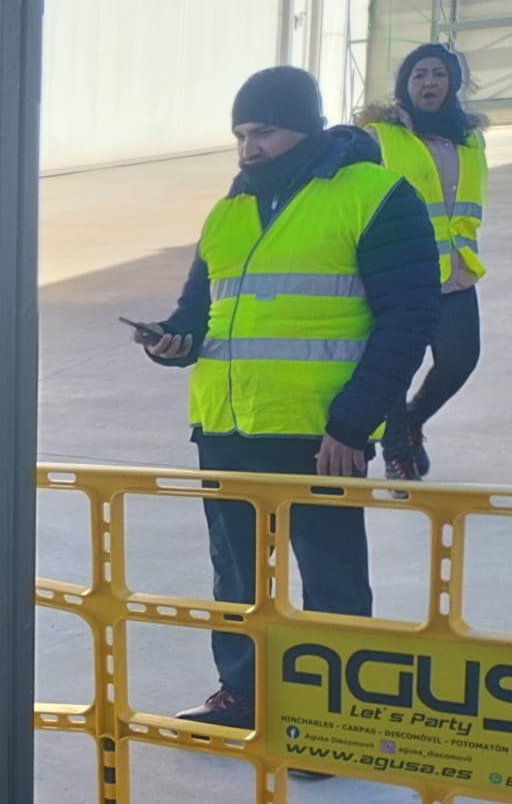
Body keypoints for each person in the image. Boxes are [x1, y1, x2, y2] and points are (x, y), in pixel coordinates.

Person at [131, 67, 438, 731]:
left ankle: (333, 719)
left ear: (306, 126)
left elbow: (409, 320)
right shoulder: (231, 209)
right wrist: (173, 342)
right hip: (227, 426)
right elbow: (199, 315)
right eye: (240, 134)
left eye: (263, 131)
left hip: (321, 434)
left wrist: (354, 424)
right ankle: (242, 696)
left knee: (330, 584)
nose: (249, 147)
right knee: (236, 582)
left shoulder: (377, 195)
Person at [359, 45, 489, 480]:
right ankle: (396, 449)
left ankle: (414, 420)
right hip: (400, 274)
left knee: (459, 360)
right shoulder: (381, 135)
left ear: (453, 82)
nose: (428, 83)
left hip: (455, 272)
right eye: (418, 75)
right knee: (398, 361)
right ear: (404, 85)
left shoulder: (470, 138)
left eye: (437, 74)